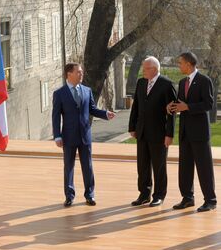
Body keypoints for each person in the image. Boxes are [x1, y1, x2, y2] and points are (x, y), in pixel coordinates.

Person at [52, 63, 115, 207]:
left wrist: (105, 113)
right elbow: (55, 116)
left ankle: (90, 195)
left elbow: (92, 109)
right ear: (69, 74)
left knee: (88, 166)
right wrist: (57, 135)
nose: (81, 74)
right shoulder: (59, 93)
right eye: (79, 72)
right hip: (68, 136)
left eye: (81, 72)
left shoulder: (87, 91)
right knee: (69, 166)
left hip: (85, 135)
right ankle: (69, 196)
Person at [168, 52, 217, 212]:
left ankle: (210, 200)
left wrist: (188, 107)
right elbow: (181, 102)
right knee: (185, 167)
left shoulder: (204, 81)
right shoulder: (182, 82)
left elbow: (208, 104)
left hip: (200, 133)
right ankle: (187, 198)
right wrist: (172, 106)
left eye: (180, 63)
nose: (179, 65)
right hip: (185, 132)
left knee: (204, 168)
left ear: (189, 64)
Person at [128, 56, 177, 207]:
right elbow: (136, 106)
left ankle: (159, 195)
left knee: (159, 166)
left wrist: (169, 134)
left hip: (159, 134)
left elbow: (172, 112)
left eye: (145, 68)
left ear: (154, 70)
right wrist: (132, 127)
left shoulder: (166, 85)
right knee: (142, 165)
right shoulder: (141, 83)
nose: (143, 70)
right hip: (142, 131)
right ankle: (144, 194)